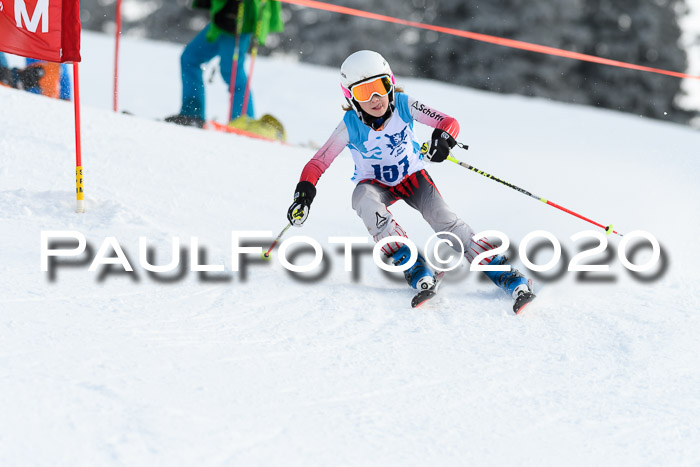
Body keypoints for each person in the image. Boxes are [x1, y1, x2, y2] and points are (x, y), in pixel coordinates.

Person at [286, 50, 536, 313]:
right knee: (362, 199)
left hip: (413, 177)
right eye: (363, 92)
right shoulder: (349, 125)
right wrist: (303, 195)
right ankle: (414, 264)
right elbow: (318, 162)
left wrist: (443, 139)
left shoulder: (404, 104)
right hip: (375, 184)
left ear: (390, 83)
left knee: (444, 220)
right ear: (350, 96)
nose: (375, 98)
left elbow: (448, 122)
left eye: (381, 86)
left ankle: (504, 273)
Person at [165, 0, 283, 128]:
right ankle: (192, 113)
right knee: (190, 59)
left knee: (232, 72)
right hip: (222, 19)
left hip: (240, 20)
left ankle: (242, 121)